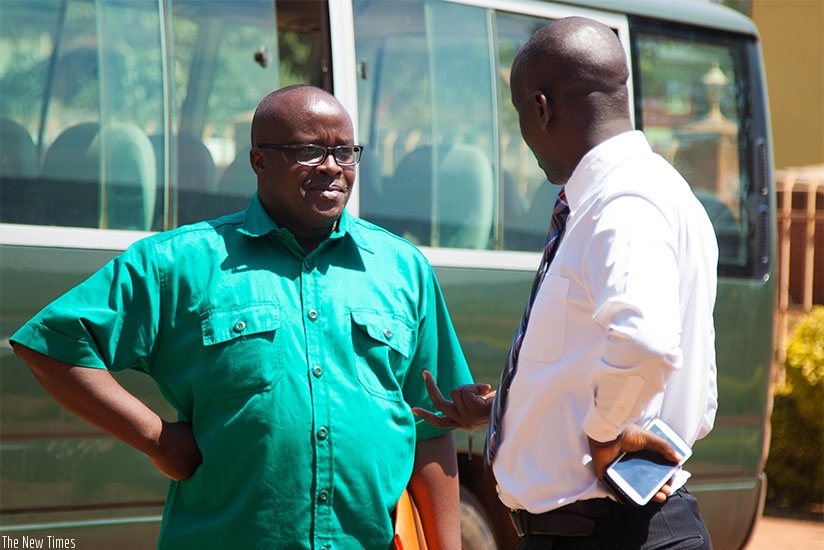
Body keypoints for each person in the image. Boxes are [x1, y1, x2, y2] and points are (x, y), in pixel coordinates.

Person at [11, 85, 473, 550]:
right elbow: (52, 342)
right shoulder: (181, 262)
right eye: (309, 151)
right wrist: (156, 438)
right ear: (259, 162)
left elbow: (430, 426)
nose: (332, 166)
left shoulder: (403, 267)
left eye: (344, 152)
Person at [413, 17, 718, 550]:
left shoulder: (624, 202)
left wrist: (604, 434)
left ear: (541, 108)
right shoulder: (657, 192)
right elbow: (655, 375)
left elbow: (644, 342)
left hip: (608, 533)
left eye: (521, 118)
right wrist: (509, 407)